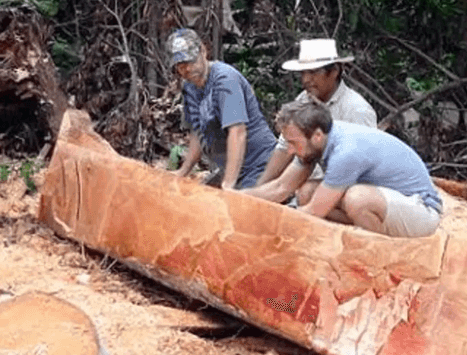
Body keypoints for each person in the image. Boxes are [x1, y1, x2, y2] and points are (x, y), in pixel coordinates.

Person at [243, 99, 442, 237]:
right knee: (306, 192)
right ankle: (350, 241)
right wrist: (236, 198)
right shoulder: (315, 143)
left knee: (357, 198)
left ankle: (381, 252)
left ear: (317, 136)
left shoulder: (346, 151)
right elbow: (280, 188)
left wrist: (270, 224)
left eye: (294, 143)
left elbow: (315, 212)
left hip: (421, 211)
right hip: (388, 204)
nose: (290, 151)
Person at [254, 38, 377, 203]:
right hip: (308, 180)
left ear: (334, 71)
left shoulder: (356, 110)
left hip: (353, 190)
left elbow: (362, 167)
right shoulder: (303, 100)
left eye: (313, 72)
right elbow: (284, 149)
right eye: (303, 73)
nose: (306, 80)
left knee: (306, 194)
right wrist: (259, 189)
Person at [167, 28, 277, 189]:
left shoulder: (225, 79)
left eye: (190, 61)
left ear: (203, 51)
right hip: (228, 169)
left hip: (258, 165)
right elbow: (196, 132)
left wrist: (228, 184)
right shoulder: (189, 87)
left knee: (239, 208)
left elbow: (237, 131)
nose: (187, 69)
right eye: (181, 66)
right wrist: (183, 172)